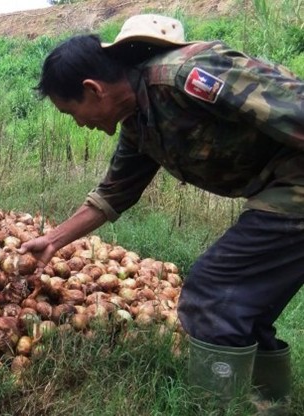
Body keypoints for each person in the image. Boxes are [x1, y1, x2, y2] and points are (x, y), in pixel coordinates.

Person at [19, 13, 303, 410]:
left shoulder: (187, 75)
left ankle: (213, 407)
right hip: (279, 189)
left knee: (212, 293)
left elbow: (292, 104)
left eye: (72, 113)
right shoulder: (139, 123)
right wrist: (52, 240)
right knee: (247, 305)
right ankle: (270, 402)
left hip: (296, 186)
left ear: (93, 89)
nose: (80, 125)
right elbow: (113, 194)